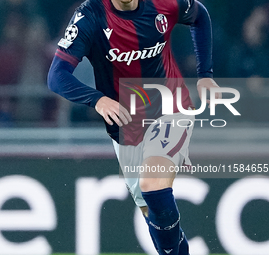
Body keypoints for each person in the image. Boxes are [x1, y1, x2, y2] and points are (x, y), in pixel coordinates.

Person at [48, 0, 221, 254]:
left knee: (153, 185)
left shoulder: (166, 3)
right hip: (125, 125)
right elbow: (57, 75)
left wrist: (205, 74)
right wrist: (97, 99)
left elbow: (199, 16)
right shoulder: (91, 15)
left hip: (171, 108)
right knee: (152, 212)